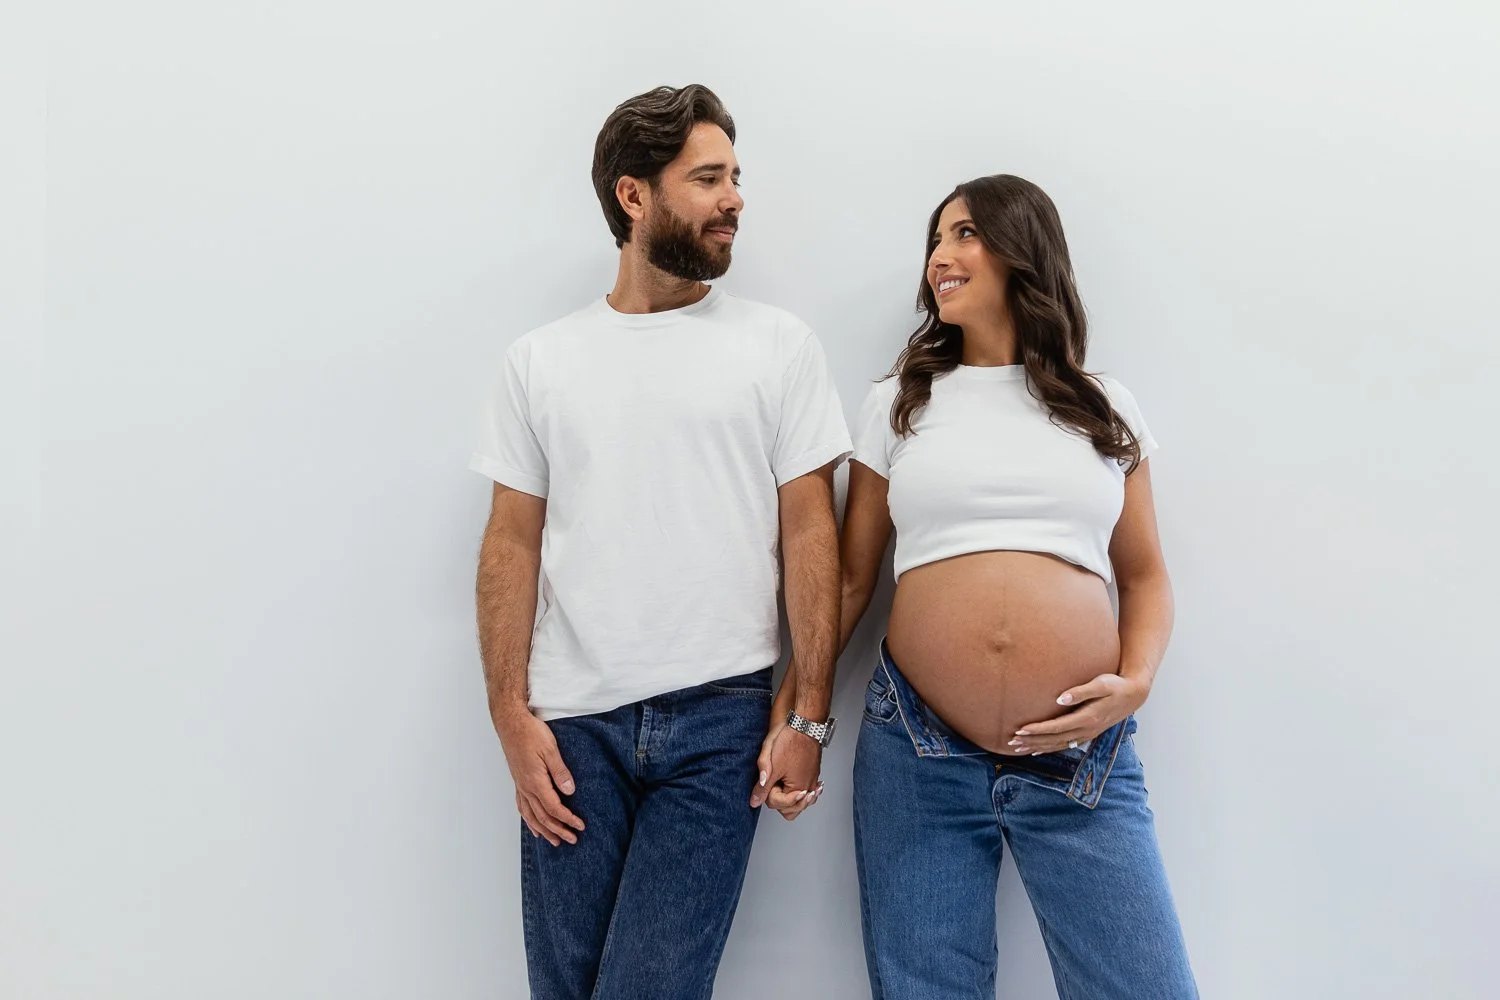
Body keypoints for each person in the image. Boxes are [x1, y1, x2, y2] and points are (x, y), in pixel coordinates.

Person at [469, 84, 849, 1000]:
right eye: (709, 178)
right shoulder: (539, 361)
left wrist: (806, 715)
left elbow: (811, 532)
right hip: (572, 730)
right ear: (633, 196)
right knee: (565, 987)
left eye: (736, 177)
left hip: (721, 721)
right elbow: (510, 546)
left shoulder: (777, 345)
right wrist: (510, 718)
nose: (735, 200)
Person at [837, 174, 1199, 998]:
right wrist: (802, 713)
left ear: (1021, 250)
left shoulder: (1102, 407)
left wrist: (1136, 683)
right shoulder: (898, 403)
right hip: (918, 750)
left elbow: (1145, 578)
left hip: (1082, 751)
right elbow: (852, 581)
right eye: (936, 239)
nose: (942, 256)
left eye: (964, 234)